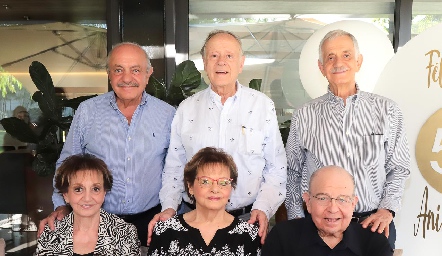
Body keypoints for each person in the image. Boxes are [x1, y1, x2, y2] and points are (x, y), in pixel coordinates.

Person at [148, 30, 287, 245]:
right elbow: (175, 167)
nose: (221, 62)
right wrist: (169, 207)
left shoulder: (262, 106)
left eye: (229, 56)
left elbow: (276, 168)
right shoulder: (186, 109)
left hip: (247, 220)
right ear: (204, 62)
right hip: (192, 220)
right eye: (214, 56)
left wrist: (263, 208)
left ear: (241, 63)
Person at [37, 42, 176, 251]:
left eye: (135, 70)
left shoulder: (167, 114)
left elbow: (174, 168)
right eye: (118, 70)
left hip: (151, 221)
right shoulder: (88, 111)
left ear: (149, 74)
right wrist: (62, 205)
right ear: (109, 74)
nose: (127, 78)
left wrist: (170, 210)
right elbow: (68, 162)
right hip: (97, 222)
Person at [285, 29, 410, 249]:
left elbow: (399, 168)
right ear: (321, 67)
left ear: (358, 62)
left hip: (371, 225)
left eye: (346, 55)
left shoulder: (387, 110)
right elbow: (292, 171)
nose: (338, 62)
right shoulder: (304, 115)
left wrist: (386, 209)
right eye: (330, 57)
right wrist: (296, 218)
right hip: (318, 226)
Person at [148, 147, 261, 255]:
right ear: (190, 186)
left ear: (231, 187)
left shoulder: (249, 234)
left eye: (223, 182)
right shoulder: (166, 230)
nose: (215, 189)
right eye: (205, 181)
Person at [263, 166, 393, 256]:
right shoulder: (283, 237)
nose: (333, 208)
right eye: (323, 198)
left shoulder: (374, 243)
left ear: (353, 204)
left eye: (342, 199)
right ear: (308, 202)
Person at [36, 153, 141, 255]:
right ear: (66, 195)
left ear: (104, 192)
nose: (87, 198)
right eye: (78, 189)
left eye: (95, 189)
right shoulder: (50, 234)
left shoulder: (125, 233)